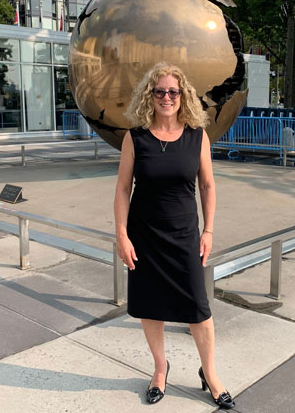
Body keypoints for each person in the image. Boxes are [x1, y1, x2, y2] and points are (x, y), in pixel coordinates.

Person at [113, 62, 235, 409]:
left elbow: (208, 185)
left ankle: (209, 374)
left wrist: (209, 230)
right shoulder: (134, 138)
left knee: (198, 309)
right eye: (160, 91)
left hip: (184, 235)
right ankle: (160, 369)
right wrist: (122, 234)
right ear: (149, 96)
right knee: (151, 307)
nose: (167, 97)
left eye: (173, 91)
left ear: (183, 97)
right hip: (144, 236)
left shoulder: (197, 136)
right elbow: (122, 189)